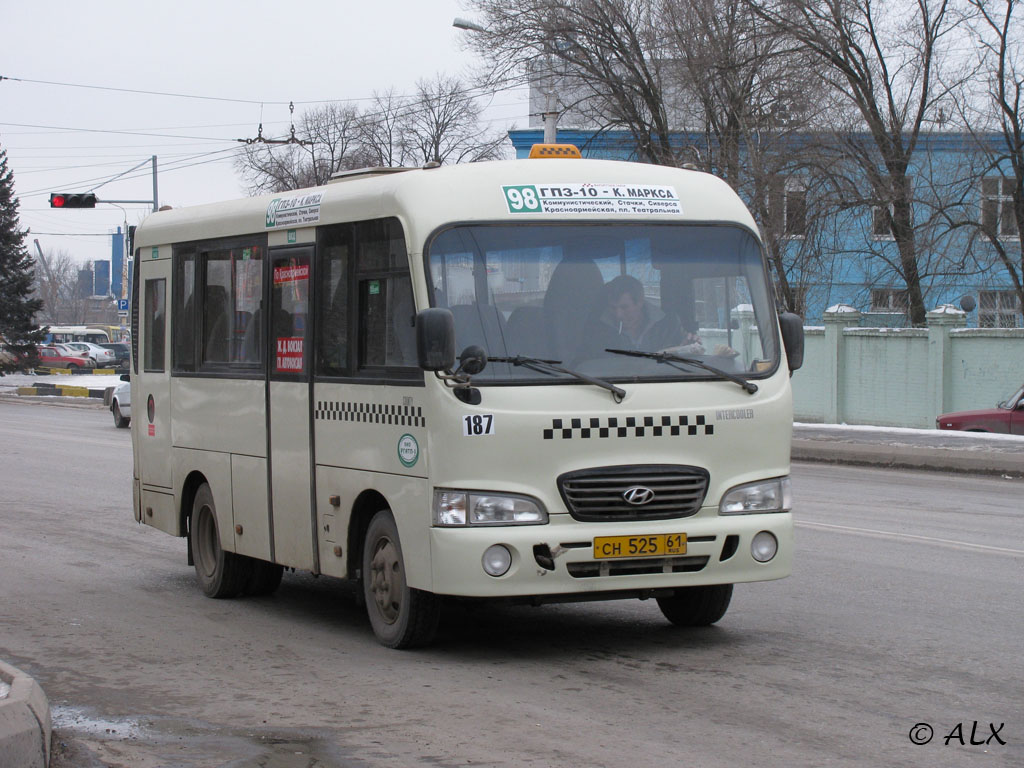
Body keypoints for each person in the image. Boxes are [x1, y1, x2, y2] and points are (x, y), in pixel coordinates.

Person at [604, 275, 704, 353]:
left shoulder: (669, 326)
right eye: (613, 308)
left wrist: (688, 347)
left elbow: (682, 362)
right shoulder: (600, 330)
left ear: (640, 302)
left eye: (624, 307)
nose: (618, 315)